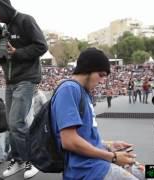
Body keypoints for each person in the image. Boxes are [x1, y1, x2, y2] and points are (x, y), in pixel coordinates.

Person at [51, 48, 145, 180]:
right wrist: (113, 157)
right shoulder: (69, 89)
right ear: (87, 69)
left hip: (99, 163)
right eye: (101, 75)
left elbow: (84, 137)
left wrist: (109, 145)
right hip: (88, 169)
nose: (102, 81)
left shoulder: (84, 92)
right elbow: (69, 141)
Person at [0, 0, 48, 179]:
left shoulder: (26, 21)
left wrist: (17, 52)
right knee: (11, 125)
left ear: (3, 6)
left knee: (16, 123)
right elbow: (8, 59)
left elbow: (42, 46)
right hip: (11, 82)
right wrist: (1, 48)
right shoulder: (5, 28)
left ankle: (33, 160)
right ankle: (19, 159)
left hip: (26, 80)